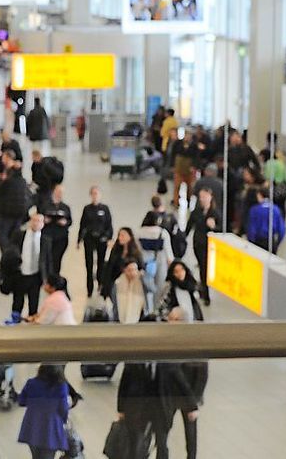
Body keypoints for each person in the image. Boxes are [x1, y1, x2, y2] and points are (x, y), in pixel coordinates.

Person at [153, 308, 208, 459]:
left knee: (190, 437)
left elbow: (202, 373)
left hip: (188, 396)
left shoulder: (195, 343)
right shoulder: (164, 341)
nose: (170, 322)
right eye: (170, 318)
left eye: (175, 319)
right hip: (168, 395)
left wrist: (194, 402)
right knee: (162, 433)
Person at [17, 364, 71, 459]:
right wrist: (64, 420)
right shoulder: (61, 386)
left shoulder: (31, 383)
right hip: (51, 427)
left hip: (32, 426)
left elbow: (21, 401)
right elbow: (63, 409)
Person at [7, 214, 53, 323]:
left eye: (39, 221)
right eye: (34, 220)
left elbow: (48, 260)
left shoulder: (45, 240)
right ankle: (15, 320)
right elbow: (11, 253)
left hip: (35, 276)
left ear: (43, 224)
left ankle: (32, 321)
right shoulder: (19, 235)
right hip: (20, 274)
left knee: (34, 302)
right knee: (17, 300)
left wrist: (48, 278)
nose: (36, 223)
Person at [184, 188, 221, 305]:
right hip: (199, 244)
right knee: (203, 268)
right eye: (201, 197)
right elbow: (188, 227)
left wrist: (214, 227)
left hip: (212, 246)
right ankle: (206, 293)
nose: (202, 199)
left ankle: (204, 288)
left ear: (210, 197)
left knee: (208, 268)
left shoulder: (216, 213)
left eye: (204, 197)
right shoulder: (196, 212)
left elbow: (223, 229)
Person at [78, 185, 114, 297]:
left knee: (101, 263)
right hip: (89, 239)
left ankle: (100, 283)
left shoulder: (105, 209)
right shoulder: (87, 209)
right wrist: (79, 240)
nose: (95, 196)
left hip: (101, 239)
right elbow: (82, 224)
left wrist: (108, 238)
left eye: (97, 193)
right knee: (89, 264)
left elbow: (109, 225)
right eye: (93, 193)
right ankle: (89, 288)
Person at [0, 151, 31, 253]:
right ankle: (15, 254)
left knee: (4, 236)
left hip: (7, 213)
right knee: (15, 236)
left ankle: (7, 255)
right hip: (19, 213)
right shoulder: (22, 181)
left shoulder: (7, 182)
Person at [39, 184, 72, 276]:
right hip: (48, 236)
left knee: (57, 258)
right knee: (47, 258)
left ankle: (55, 276)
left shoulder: (65, 207)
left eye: (61, 192)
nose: (60, 194)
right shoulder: (45, 205)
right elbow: (39, 217)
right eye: (58, 191)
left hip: (61, 237)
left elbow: (70, 221)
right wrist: (44, 220)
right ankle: (46, 276)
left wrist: (65, 222)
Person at [103, 228, 144, 299]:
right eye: (119, 235)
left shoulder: (135, 252)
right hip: (116, 283)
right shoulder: (116, 250)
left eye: (123, 235)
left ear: (130, 237)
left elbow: (141, 267)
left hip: (131, 285)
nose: (120, 238)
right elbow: (109, 267)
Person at [247, 186, 286, 253]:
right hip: (271, 240)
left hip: (258, 240)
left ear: (259, 195)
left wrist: (251, 240)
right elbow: (282, 229)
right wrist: (277, 243)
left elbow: (252, 228)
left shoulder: (254, 209)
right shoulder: (276, 209)